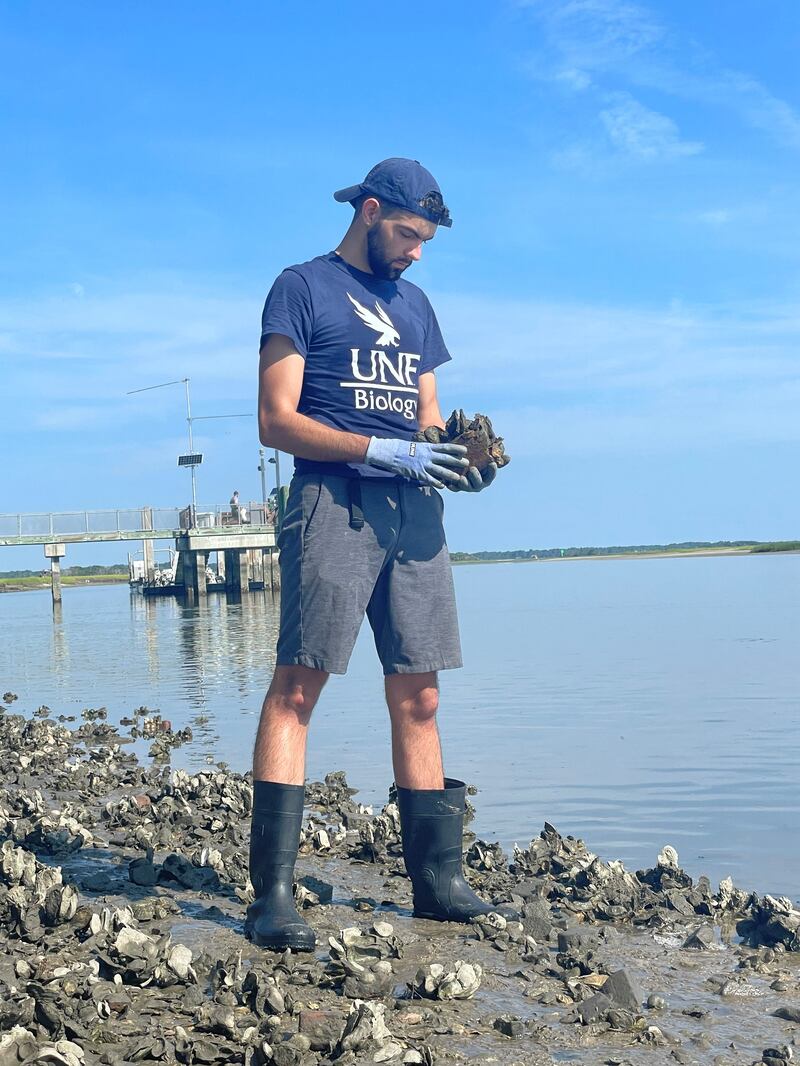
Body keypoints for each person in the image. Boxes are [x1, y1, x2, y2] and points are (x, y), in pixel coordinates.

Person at [248, 158, 502, 952]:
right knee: (300, 684)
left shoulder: (417, 306)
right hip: (333, 501)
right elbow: (274, 420)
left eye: (426, 239)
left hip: (414, 514)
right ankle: (274, 894)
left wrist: (458, 457)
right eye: (407, 234)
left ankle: (437, 882)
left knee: (420, 694)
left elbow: (426, 420)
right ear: (368, 211)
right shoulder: (302, 288)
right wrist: (380, 451)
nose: (417, 252)